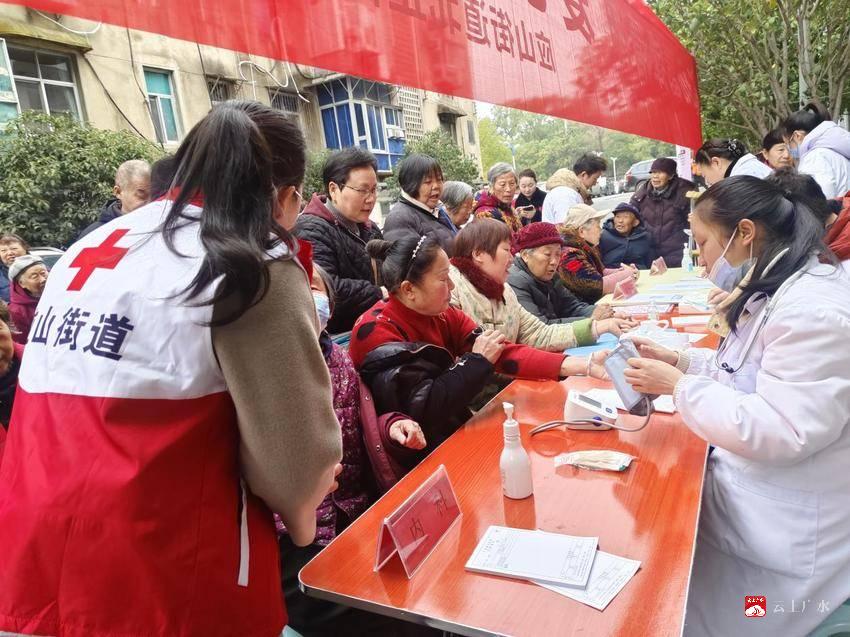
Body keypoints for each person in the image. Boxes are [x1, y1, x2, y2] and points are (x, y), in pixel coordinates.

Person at [0, 101, 343, 637]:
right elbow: (295, 457)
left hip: (34, 556)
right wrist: (303, 520)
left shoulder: (84, 250)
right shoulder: (247, 262)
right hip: (166, 574)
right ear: (286, 195)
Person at [622, 175, 850, 637]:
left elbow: (783, 429)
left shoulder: (812, 310)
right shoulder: (779, 289)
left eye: (704, 243)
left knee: (733, 617)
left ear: (745, 233)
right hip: (753, 506)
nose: (701, 259)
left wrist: (680, 387)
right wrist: (682, 362)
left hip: (783, 538)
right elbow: (742, 372)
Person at [349, 234, 608, 473]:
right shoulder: (376, 332)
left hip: (450, 433)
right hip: (414, 456)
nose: (452, 286)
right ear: (408, 290)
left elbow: (501, 351)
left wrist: (578, 364)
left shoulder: (441, 313)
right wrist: (477, 361)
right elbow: (424, 409)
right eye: (443, 278)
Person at [278, 264, 429, 636]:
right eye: (294, 286)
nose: (306, 297)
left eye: (314, 287)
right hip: (293, 537)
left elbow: (364, 421)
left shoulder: (340, 359)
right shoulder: (267, 370)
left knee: (425, 579)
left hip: (354, 516)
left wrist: (392, 426)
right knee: (396, 616)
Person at [449, 219, 633, 350]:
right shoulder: (457, 291)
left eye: (558, 254)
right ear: (478, 254)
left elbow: (539, 333)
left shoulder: (505, 291)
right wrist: (595, 322)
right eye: (506, 250)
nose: (554, 261)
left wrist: (602, 322)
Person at [295, 147, 385, 334]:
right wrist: (379, 293)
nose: (371, 199)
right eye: (363, 190)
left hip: (376, 324)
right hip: (341, 337)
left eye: (374, 189)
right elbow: (328, 287)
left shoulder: (370, 228)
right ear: (334, 189)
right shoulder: (311, 229)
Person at [508, 222, 620, 325]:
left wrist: (600, 312)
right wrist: (591, 319)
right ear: (525, 255)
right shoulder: (515, 282)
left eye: (558, 254)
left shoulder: (553, 276)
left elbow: (572, 307)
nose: (554, 261)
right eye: (547, 254)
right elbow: (541, 327)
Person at [558, 204, 637, 303]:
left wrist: (621, 271)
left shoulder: (584, 247)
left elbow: (600, 272)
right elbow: (596, 286)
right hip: (582, 308)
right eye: (597, 226)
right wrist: (628, 274)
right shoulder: (569, 256)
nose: (601, 231)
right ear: (582, 231)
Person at [383, 154, 456, 253]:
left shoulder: (438, 210)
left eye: (439, 180)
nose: (436, 186)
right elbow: (405, 259)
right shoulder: (399, 219)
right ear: (411, 184)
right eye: (428, 181)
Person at [629, 157, 695, 266]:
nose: (655, 176)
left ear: (671, 175)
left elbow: (694, 223)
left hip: (678, 252)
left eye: (660, 172)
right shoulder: (642, 193)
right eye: (653, 172)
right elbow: (630, 214)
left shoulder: (686, 192)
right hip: (649, 253)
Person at [783, 100, 850, 199]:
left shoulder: (815, 157)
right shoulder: (836, 150)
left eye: (788, 143)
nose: (788, 151)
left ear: (797, 136)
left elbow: (819, 201)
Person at [77, 159, 152, 240]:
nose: (150, 203)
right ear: (118, 192)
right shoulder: (93, 235)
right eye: (141, 195)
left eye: (153, 196)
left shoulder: (157, 232)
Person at [541, 154, 607, 224]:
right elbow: (566, 227)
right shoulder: (565, 195)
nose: (595, 183)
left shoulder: (572, 192)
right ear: (584, 175)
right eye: (595, 178)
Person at [694, 138, 771, 188]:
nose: (707, 182)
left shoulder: (741, 181)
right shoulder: (750, 167)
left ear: (716, 163)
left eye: (704, 175)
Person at [472, 162, 524, 233]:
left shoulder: (508, 207)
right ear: (492, 186)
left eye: (512, 184)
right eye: (502, 184)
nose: (508, 189)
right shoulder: (484, 214)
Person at [599, 202, 654, 269]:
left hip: (637, 273)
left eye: (625, 217)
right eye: (617, 216)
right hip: (611, 273)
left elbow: (650, 264)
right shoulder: (603, 236)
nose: (620, 221)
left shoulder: (645, 238)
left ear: (635, 222)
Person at [7, 254, 47, 344]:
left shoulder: (56, 296)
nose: (43, 279)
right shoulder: (16, 312)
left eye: (43, 273)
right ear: (21, 283)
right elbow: (21, 343)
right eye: (34, 276)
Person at [0, 232, 29, 303]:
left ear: (25, 248)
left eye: (14, 248)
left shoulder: (41, 269)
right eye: (3, 251)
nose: (9, 253)